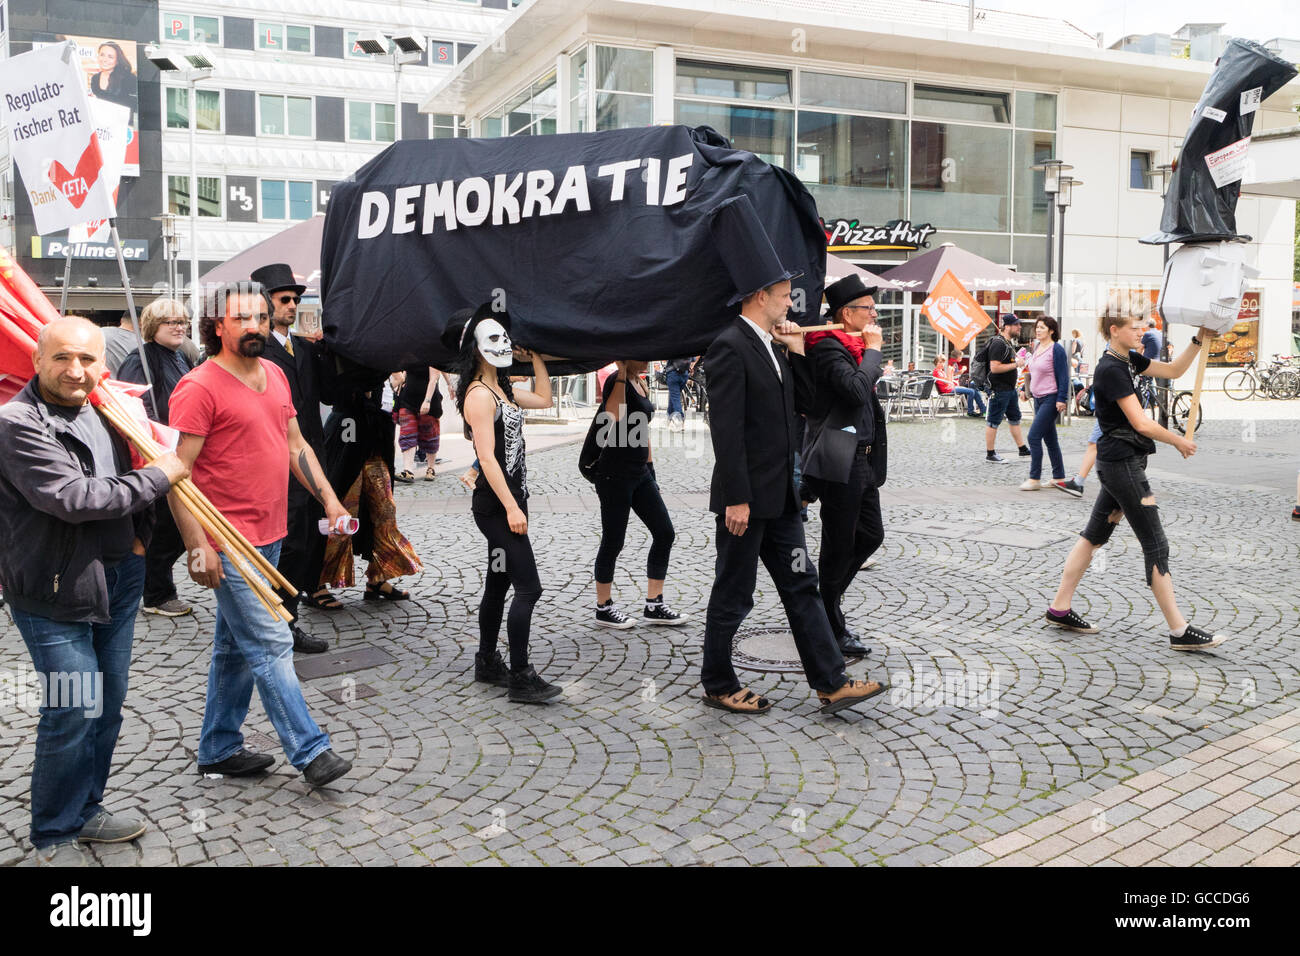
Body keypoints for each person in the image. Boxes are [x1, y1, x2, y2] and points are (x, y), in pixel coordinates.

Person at [0, 317, 189, 865]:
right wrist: (164, 474)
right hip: (50, 590)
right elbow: (75, 497)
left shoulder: (108, 411)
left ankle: (87, 809)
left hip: (119, 578)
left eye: (87, 359)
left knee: (106, 705)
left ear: (101, 364)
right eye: (62, 357)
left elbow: (130, 470)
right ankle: (54, 832)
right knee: (74, 705)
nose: (75, 370)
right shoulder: (16, 423)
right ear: (37, 360)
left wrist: (139, 542)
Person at [699, 194, 884, 715]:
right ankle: (717, 682)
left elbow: (802, 407)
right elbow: (726, 432)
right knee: (735, 594)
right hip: (746, 500)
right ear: (760, 296)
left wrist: (796, 349)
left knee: (801, 585)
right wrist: (736, 497)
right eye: (783, 296)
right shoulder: (730, 346)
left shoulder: (772, 343)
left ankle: (830, 681)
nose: (790, 304)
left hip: (781, 497)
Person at [168, 281, 353, 787]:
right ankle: (311, 751)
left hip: (271, 534)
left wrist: (330, 499)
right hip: (228, 542)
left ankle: (219, 749)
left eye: (260, 317)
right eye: (241, 318)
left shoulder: (274, 373)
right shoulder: (199, 386)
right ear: (218, 326)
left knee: (234, 649)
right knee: (272, 642)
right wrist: (197, 546)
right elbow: (175, 477)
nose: (254, 326)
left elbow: (295, 445)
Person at [1046, 299, 1225, 650]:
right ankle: (1179, 631)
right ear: (1114, 330)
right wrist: (1178, 441)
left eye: (1142, 325)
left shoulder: (1129, 360)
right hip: (1122, 465)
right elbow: (1140, 422)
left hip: (1121, 463)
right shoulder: (1111, 369)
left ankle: (1059, 607)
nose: (1141, 330)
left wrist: (1199, 339)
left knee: (1094, 536)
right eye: (1134, 326)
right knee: (1156, 543)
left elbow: (1173, 371)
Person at [453, 303, 563, 703]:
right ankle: (521, 676)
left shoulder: (503, 389)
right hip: (497, 507)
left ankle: (486, 661)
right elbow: (487, 459)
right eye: (494, 338)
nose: (504, 344)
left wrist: (536, 361)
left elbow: (545, 399)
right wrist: (512, 508)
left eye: (506, 337)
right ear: (478, 348)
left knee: (498, 583)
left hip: (514, 500)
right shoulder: (480, 396)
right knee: (529, 588)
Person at [801, 273, 888, 660]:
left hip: (864, 456)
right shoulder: (827, 347)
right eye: (867, 308)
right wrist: (872, 353)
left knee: (870, 535)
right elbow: (854, 389)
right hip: (840, 453)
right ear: (846, 313)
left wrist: (866, 352)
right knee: (837, 544)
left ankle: (823, 601)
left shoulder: (851, 345)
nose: (873, 314)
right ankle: (829, 624)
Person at [251, 263, 332, 650]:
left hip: (310, 455)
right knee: (286, 545)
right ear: (265, 303)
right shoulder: (254, 349)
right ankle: (278, 623)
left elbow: (327, 394)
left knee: (307, 541)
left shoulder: (303, 347)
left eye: (296, 299)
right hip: (274, 464)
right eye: (285, 299)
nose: (293, 305)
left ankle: (286, 617)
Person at [317, 356, 422, 604]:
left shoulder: (381, 349)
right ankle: (316, 582)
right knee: (341, 507)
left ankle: (379, 577)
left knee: (384, 509)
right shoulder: (346, 346)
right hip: (348, 434)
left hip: (378, 435)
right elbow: (334, 392)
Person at [590, 359, 686, 629]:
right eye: (640, 352)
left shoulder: (640, 380)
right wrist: (620, 373)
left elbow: (642, 429)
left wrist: (651, 470)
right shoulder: (616, 381)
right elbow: (613, 415)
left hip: (640, 472)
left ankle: (654, 605)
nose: (647, 357)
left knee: (664, 532)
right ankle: (604, 607)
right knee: (613, 541)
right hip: (614, 474)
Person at [117, 297, 196, 618]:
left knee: (179, 524)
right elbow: (134, 408)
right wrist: (157, 444)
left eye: (182, 321)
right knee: (165, 526)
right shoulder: (143, 358)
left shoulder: (179, 357)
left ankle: (156, 587)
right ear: (153, 327)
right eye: (171, 322)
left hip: (181, 452)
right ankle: (157, 593)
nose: (179, 327)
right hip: (158, 454)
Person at [1019, 317, 1070, 493]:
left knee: (1033, 437)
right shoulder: (1037, 347)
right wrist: (1024, 390)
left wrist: (1062, 399)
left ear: (1051, 331)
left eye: (1042, 327)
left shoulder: (1057, 349)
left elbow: (1064, 376)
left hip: (1051, 397)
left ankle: (1034, 479)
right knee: (1050, 439)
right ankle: (1058, 477)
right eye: (1037, 327)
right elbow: (1032, 371)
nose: (1038, 330)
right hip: (1038, 398)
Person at [395, 364, 453, 481]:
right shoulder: (411, 351)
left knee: (429, 435)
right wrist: (401, 385)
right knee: (407, 432)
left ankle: (430, 468)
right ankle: (408, 471)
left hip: (428, 400)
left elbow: (433, 378)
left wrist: (427, 400)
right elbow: (406, 369)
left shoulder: (430, 351)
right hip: (408, 398)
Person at [984, 314, 1029, 463]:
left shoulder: (1008, 343)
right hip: (999, 389)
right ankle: (990, 454)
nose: (1019, 327)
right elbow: (995, 368)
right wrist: (1017, 364)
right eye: (1016, 325)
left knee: (1015, 418)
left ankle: (1022, 448)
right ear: (1007, 326)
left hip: (1010, 389)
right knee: (993, 421)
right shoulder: (999, 344)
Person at [87, 41, 137, 116]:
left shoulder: (129, 78)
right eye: (102, 55)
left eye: (110, 57)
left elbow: (134, 107)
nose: (104, 59)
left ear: (117, 60)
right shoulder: (95, 78)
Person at [101, 312, 142, 377]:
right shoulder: (142, 344)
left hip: (103, 384)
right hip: (128, 385)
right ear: (141, 324)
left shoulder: (100, 332)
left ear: (121, 320)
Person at [664, 356, 692, 429]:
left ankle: (680, 421)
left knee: (675, 398)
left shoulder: (674, 345)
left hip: (673, 374)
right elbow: (693, 359)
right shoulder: (689, 346)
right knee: (673, 396)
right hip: (684, 375)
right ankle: (669, 418)